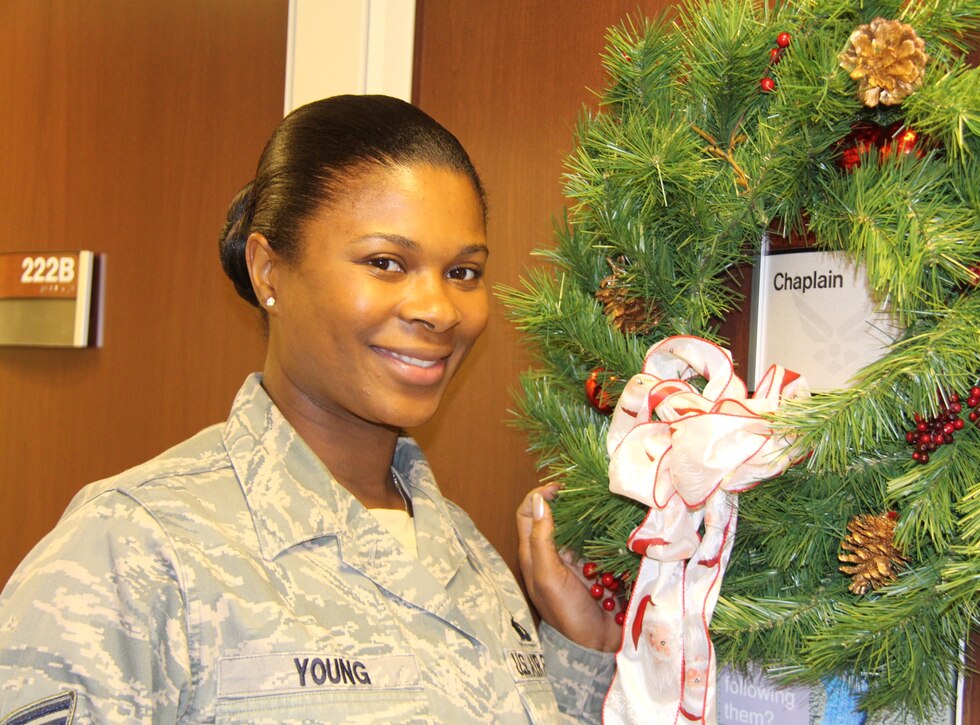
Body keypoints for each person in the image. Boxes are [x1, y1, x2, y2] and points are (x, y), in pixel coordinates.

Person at [0, 94, 618, 724]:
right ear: (269, 271)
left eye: (462, 272)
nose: (439, 308)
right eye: (386, 263)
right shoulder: (140, 546)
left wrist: (581, 651)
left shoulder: (469, 559)